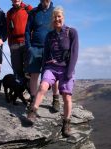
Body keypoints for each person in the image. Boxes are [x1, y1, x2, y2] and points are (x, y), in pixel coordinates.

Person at [26, 6, 79, 137]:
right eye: (55, 17)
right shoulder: (49, 35)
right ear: (52, 19)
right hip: (51, 67)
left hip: (66, 68)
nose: (57, 19)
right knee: (43, 86)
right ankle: (33, 111)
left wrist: (69, 72)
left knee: (67, 96)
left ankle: (66, 123)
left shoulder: (71, 32)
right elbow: (46, 55)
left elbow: (74, 53)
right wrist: (44, 70)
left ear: (63, 17)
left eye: (59, 16)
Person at [25, 0, 60, 112]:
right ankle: (33, 99)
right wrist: (29, 47)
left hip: (50, 49)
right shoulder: (34, 12)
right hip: (35, 48)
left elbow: (59, 29)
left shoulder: (55, 12)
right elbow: (27, 30)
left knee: (53, 75)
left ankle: (56, 99)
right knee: (34, 74)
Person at [6, 0, 33, 79]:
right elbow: (8, 30)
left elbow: (35, 25)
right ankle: (19, 90)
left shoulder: (28, 8)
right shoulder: (9, 13)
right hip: (14, 44)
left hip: (27, 42)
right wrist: (10, 44)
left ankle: (30, 90)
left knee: (29, 69)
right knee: (17, 69)